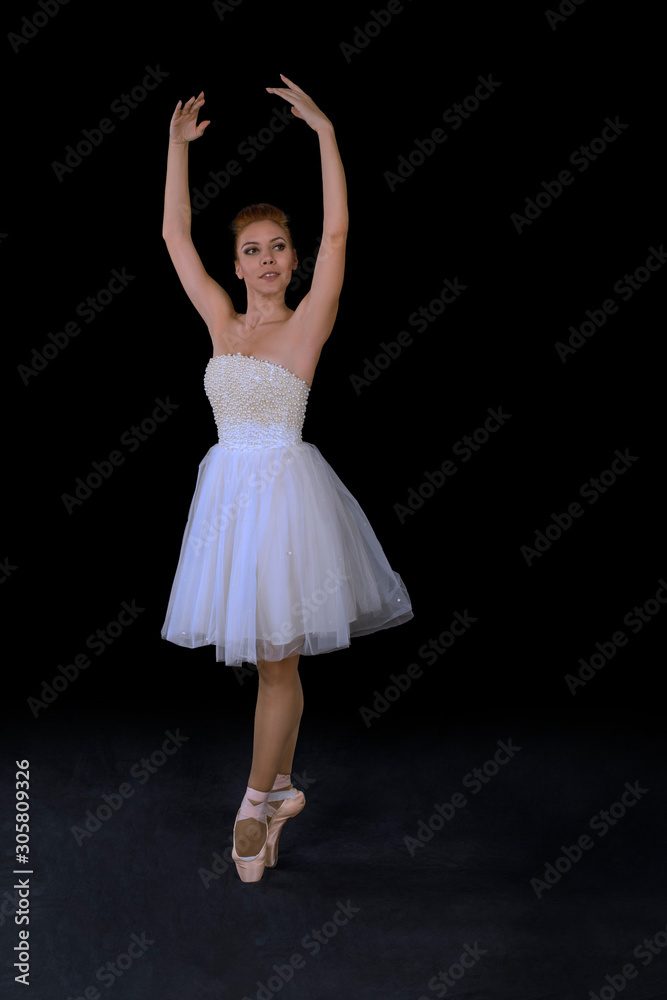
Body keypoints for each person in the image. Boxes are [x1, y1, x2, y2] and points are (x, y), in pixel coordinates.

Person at [160, 76, 414, 882]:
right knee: (276, 666)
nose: (266, 260)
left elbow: (340, 233)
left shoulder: (307, 326)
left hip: (286, 504)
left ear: (294, 261)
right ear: (234, 267)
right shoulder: (221, 323)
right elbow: (171, 236)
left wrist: (325, 134)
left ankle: (251, 804)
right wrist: (174, 151)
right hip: (226, 507)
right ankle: (273, 801)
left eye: (278, 248)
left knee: (277, 656)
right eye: (251, 250)